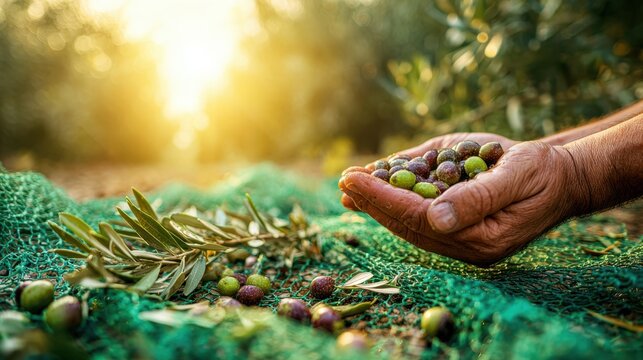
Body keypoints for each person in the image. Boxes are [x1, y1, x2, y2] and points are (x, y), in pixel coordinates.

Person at [338, 100, 643, 267]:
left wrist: (576, 171)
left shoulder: (456, 167)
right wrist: (557, 154)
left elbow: (568, 166)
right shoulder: (444, 167)